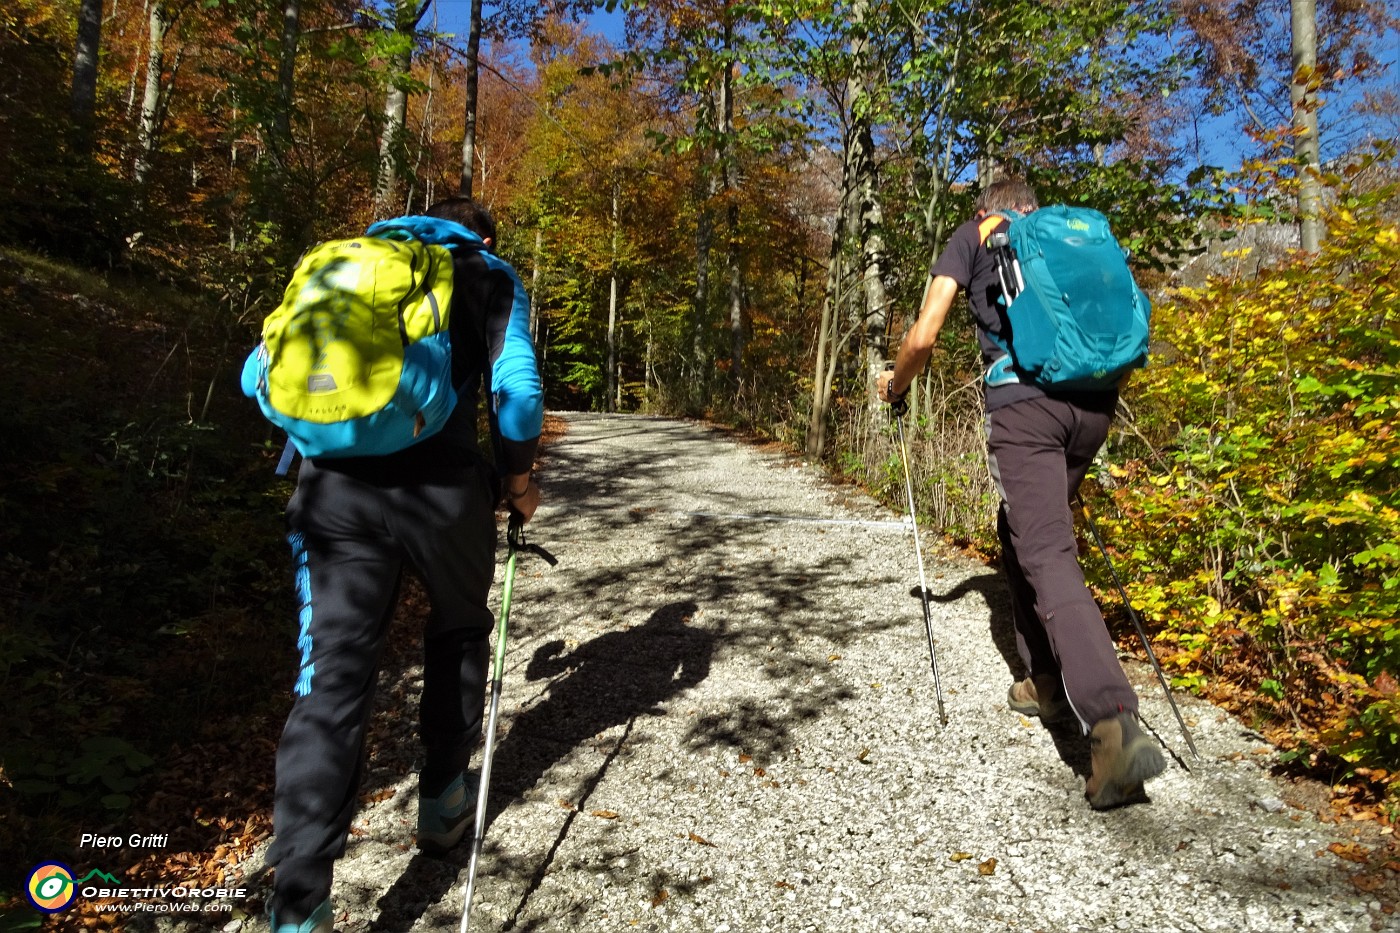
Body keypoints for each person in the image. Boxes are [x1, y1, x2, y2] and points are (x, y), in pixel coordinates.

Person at [265, 198, 544, 933]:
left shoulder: (335, 266)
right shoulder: (486, 270)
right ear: (481, 233)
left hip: (330, 493)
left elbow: (254, 377)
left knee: (330, 686)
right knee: (458, 624)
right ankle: (444, 800)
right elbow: (517, 397)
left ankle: (298, 904)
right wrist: (517, 485)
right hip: (443, 490)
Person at [876, 178, 1164, 810]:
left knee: (1048, 554)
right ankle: (1046, 683)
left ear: (987, 207)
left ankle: (1115, 730)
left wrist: (895, 386)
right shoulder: (1066, 235)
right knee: (1021, 536)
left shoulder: (975, 234)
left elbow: (924, 335)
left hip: (1025, 407)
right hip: (1093, 405)